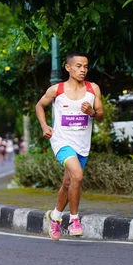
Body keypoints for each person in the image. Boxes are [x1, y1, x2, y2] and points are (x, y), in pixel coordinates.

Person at [35, 52, 103, 241]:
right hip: (61, 141)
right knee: (78, 176)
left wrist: (91, 112)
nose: (83, 70)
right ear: (68, 68)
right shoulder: (56, 90)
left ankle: (55, 217)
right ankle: (74, 220)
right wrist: (44, 126)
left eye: (86, 66)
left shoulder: (93, 89)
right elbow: (39, 106)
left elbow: (101, 115)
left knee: (68, 183)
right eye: (79, 66)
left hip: (82, 143)